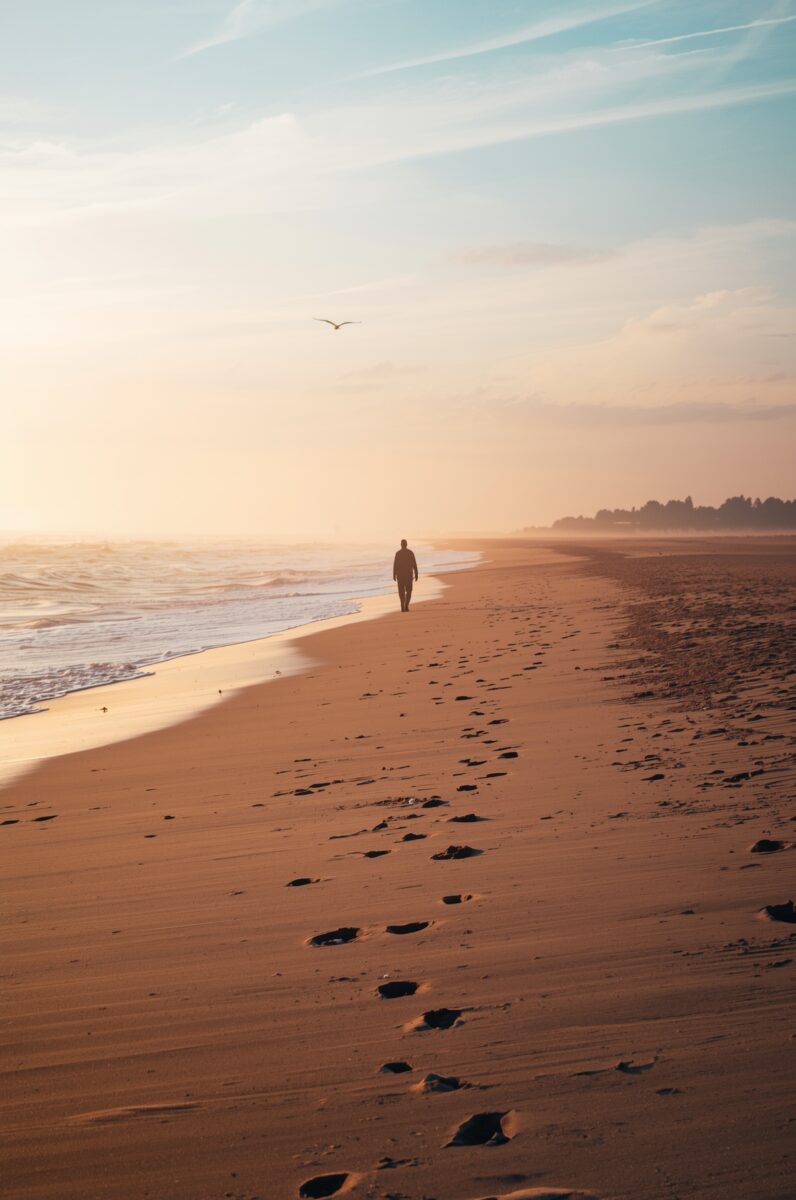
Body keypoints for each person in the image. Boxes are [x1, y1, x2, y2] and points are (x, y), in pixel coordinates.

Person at [393, 539, 419, 612]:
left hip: (401, 576)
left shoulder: (398, 553)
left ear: (401, 545)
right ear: (406, 544)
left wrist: (394, 574)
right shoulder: (410, 553)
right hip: (408, 576)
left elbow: (395, 565)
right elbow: (414, 564)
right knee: (409, 591)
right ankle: (406, 605)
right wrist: (416, 573)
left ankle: (403, 605)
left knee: (402, 591)